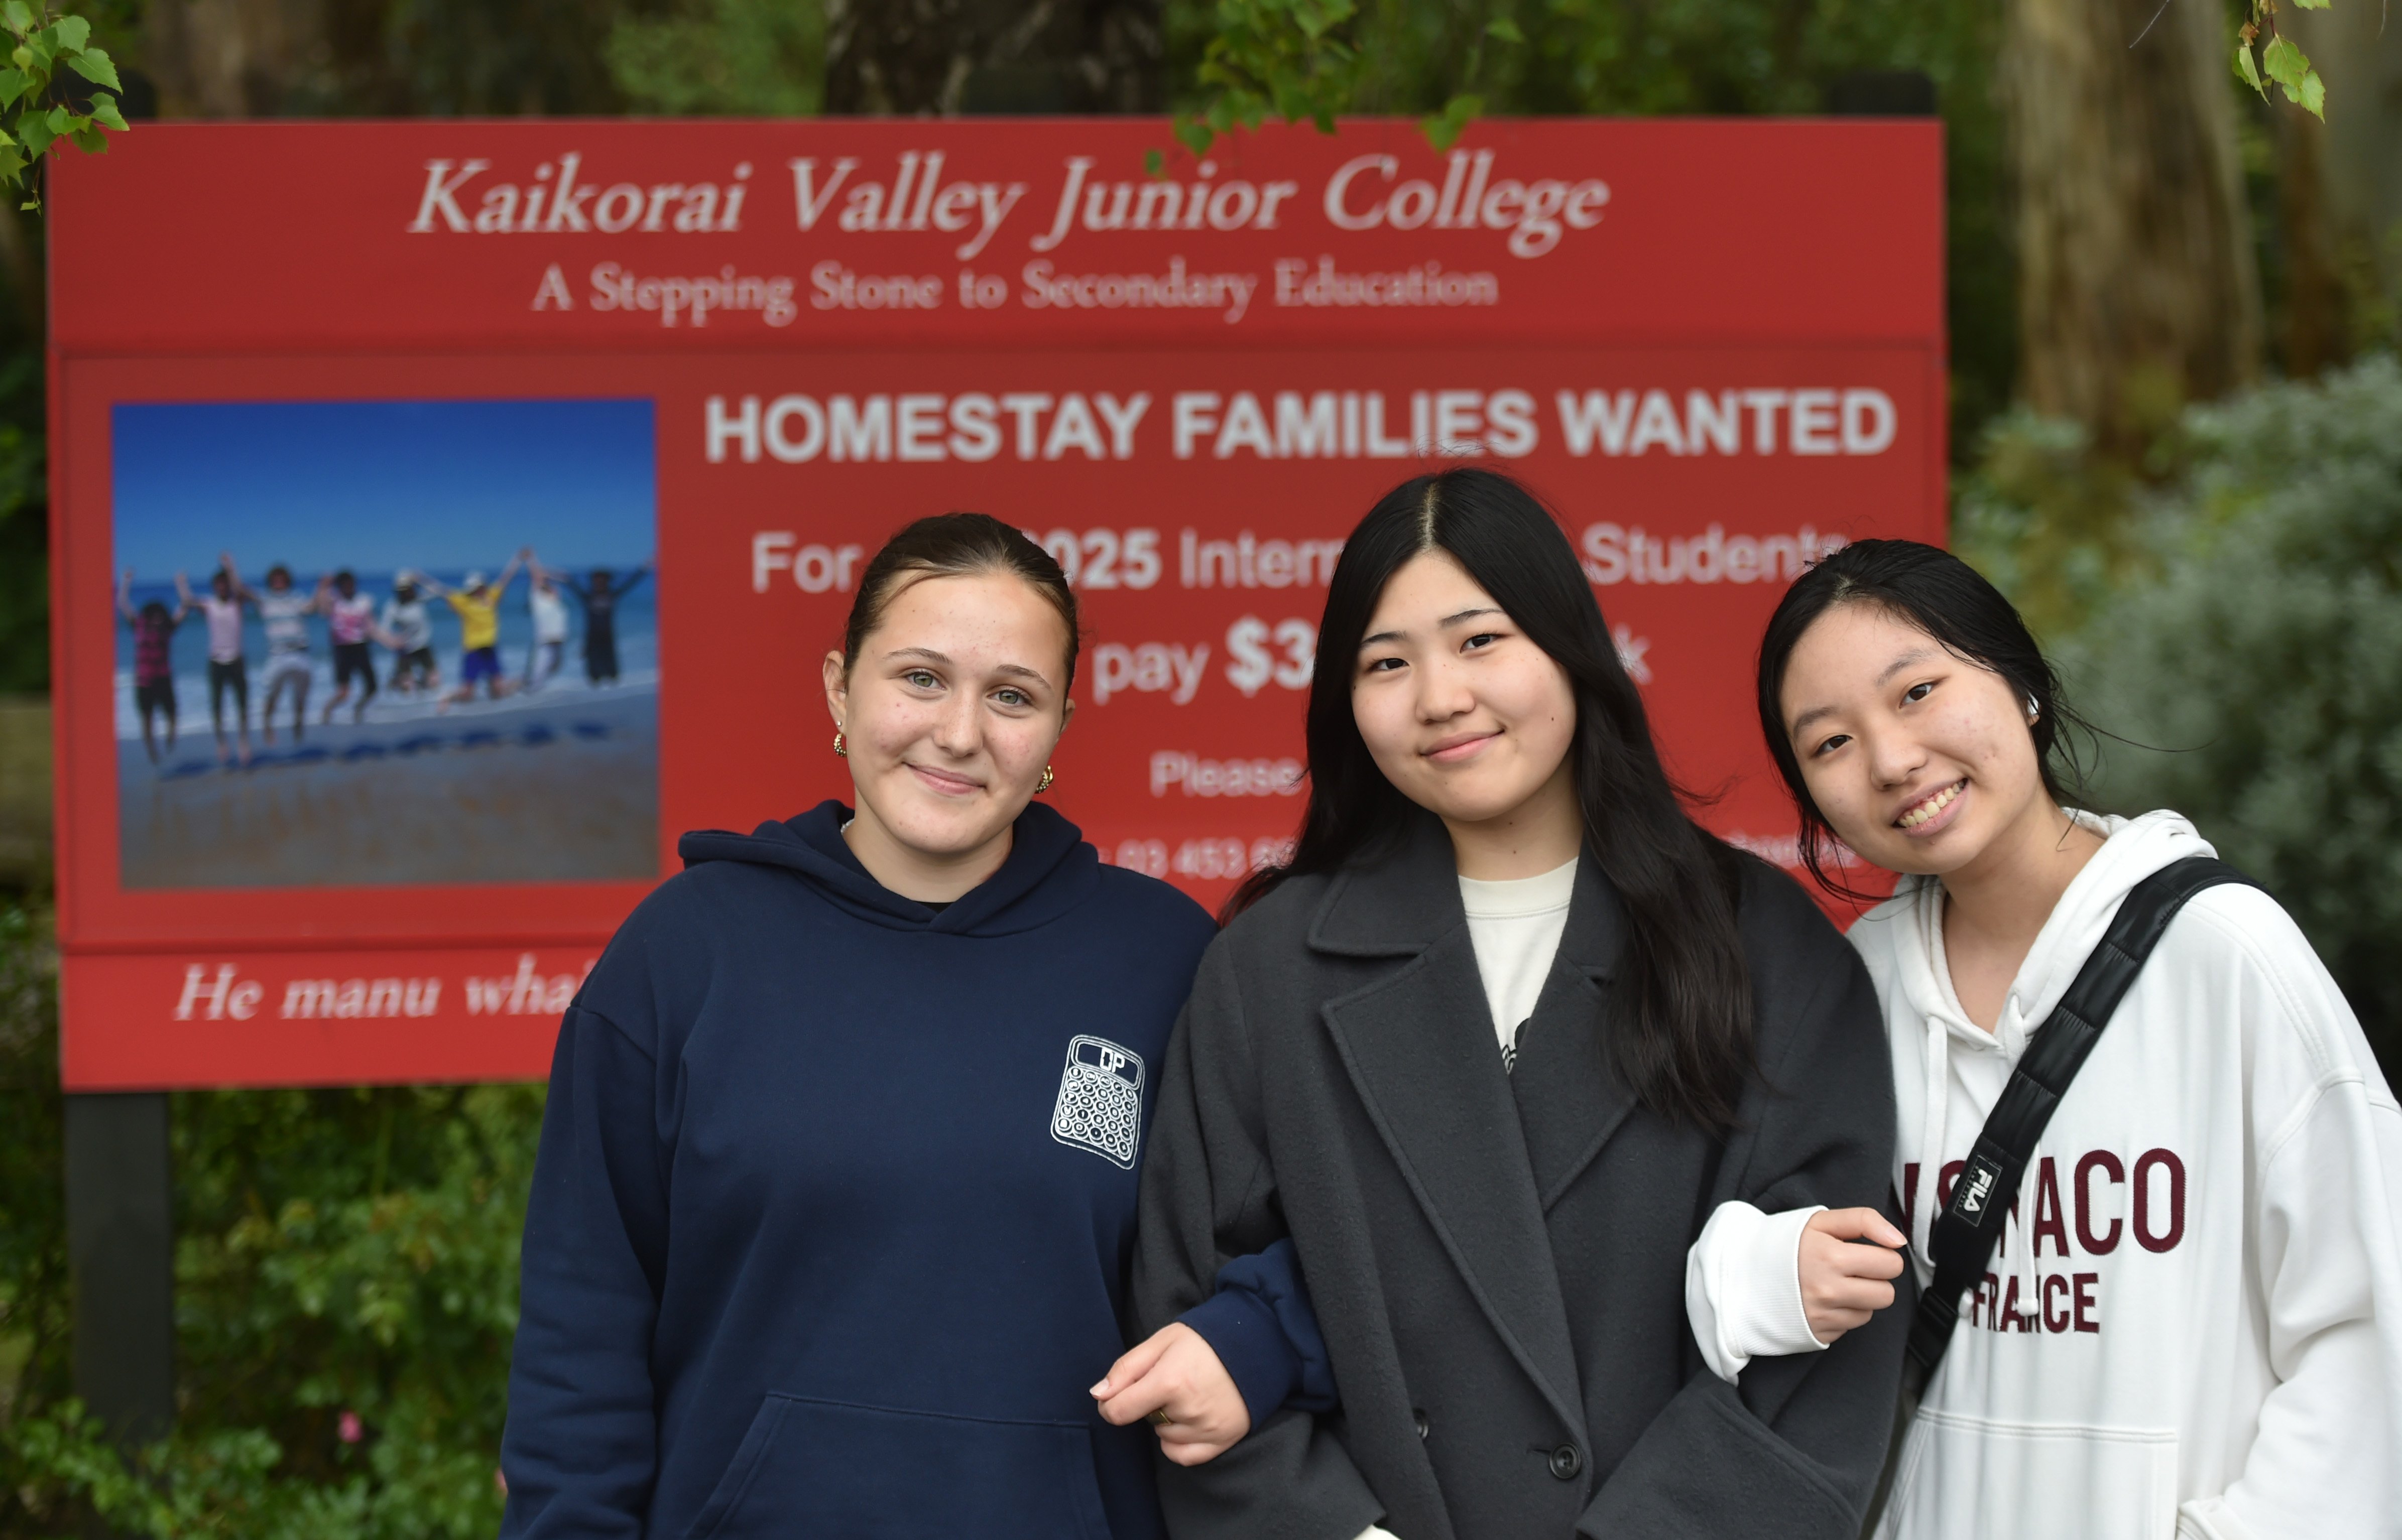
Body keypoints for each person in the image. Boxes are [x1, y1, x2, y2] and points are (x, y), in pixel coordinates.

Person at [499, 513, 1323, 1540]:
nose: (959, 731)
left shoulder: (1161, 961)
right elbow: (582, 1340)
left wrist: (1259, 1338)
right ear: (841, 689)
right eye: (921, 678)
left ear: (1061, 724)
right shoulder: (683, 955)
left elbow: (1350, 1229)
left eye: (1011, 696)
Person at [1129, 468, 1905, 1540]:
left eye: (1480, 639)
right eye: (1386, 663)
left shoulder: (1759, 944)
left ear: (1570, 647)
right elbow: (1189, 1338)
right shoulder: (1269, 969)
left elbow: (1839, 1338)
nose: (1440, 696)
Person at [1683, 538, 2402, 1538]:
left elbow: (2368, 1325)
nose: (1892, 760)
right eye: (1830, 744)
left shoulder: (2222, 953)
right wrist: (1764, 1272)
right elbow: (1716, 1259)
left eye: (1918, 691)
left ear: (2018, 682)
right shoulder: (1852, 992)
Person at [177, 555, 252, 767]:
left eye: (225, 583)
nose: (222, 587)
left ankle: (244, 742)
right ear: (214, 587)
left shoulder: (237, 603)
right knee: (217, 707)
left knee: (242, 706)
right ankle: (222, 743)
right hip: (216, 662)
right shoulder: (209, 604)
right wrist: (181, 584)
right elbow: (188, 602)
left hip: (237, 660)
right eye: (219, 584)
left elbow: (241, 588)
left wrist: (231, 566)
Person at [422, 556, 522, 709]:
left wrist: (518, 559)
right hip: (473, 650)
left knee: (498, 692)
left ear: (483, 586)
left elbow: (506, 577)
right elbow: (440, 590)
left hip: (490, 649)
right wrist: (418, 577)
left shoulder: (492, 596)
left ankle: (525, 682)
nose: (477, 591)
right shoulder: (464, 601)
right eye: (473, 589)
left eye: (479, 588)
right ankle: (447, 697)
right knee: (468, 694)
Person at [117, 568, 187, 763]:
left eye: (160, 615)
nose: (157, 618)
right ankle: (152, 750)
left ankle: (170, 737)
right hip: (144, 681)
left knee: (173, 714)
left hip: (164, 678)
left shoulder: (168, 628)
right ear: (147, 615)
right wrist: (126, 582)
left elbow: (184, 607)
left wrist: (181, 585)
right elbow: (123, 603)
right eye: (153, 615)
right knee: (147, 718)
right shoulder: (138, 625)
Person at [256, 563, 329, 745]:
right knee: (271, 694)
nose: (279, 583)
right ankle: (267, 725)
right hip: (277, 655)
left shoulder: (296, 599)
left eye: (282, 579)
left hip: (300, 654)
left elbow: (311, 608)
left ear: (288, 581)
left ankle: (298, 722)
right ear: (270, 582)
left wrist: (322, 586)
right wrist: (231, 568)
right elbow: (242, 590)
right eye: (275, 580)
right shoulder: (265, 601)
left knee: (302, 695)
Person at [562, 559, 649, 687]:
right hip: (592, 636)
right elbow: (571, 584)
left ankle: (612, 677)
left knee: (610, 661)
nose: (600, 582)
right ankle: (594, 678)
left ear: (608, 581)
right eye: (597, 579)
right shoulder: (588, 597)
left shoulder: (612, 596)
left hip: (608, 634)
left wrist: (645, 567)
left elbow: (631, 582)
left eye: (603, 579)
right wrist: (556, 576)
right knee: (593, 664)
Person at [320, 569, 381, 724]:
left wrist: (391, 641)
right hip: (342, 649)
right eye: (344, 585)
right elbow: (322, 610)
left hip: (361, 646)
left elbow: (372, 626)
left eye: (351, 584)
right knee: (343, 692)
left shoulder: (364, 600)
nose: (348, 587)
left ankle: (359, 707)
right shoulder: (334, 601)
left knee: (373, 687)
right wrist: (324, 586)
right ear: (339, 586)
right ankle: (328, 709)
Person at [382, 571, 438, 695]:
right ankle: (396, 689)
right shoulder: (393, 606)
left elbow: (437, 590)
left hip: (423, 645)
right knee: (406, 685)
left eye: (408, 588)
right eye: (403, 589)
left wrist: (420, 579)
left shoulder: (419, 598)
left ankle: (427, 703)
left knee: (434, 679)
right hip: (405, 648)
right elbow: (384, 629)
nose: (406, 592)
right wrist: (394, 640)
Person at [521, 550, 570, 692]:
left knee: (555, 668)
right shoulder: (537, 598)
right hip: (545, 641)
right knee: (537, 677)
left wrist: (551, 575)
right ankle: (521, 693)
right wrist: (532, 559)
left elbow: (564, 577)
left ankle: (525, 688)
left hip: (559, 640)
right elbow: (537, 576)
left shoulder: (555, 597)